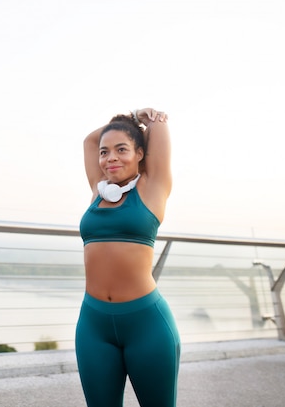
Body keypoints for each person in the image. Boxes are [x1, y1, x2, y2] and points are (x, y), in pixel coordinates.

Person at [76, 107, 179, 407]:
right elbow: (89, 141)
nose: (110, 158)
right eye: (105, 152)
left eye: (122, 150)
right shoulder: (99, 190)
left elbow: (159, 128)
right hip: (93, 325)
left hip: (146, 324)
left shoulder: (152, 189)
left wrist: (143, 121)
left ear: (140, 154)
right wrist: (126, 120)